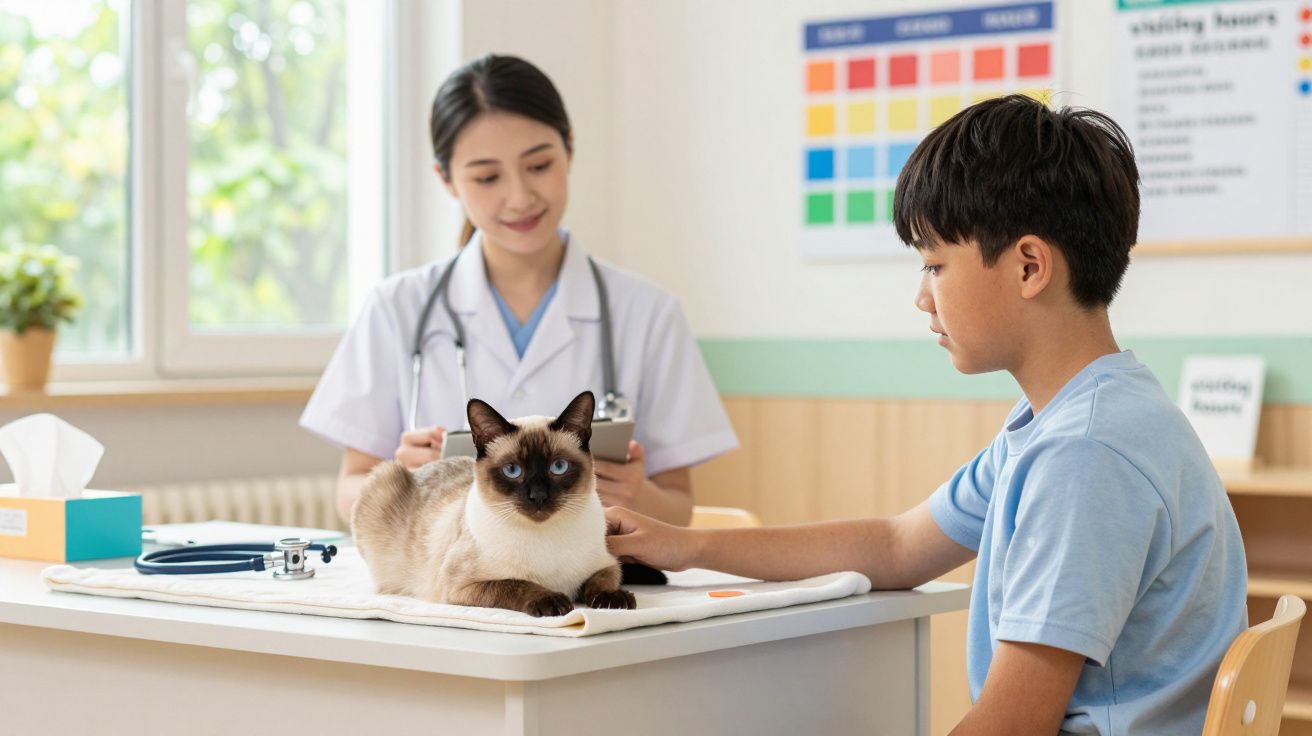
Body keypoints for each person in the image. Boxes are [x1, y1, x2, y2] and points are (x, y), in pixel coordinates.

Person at [604, 95, 1248, 735]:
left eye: (935, 264)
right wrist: (686, 546)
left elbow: (1009, 726)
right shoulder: (1084, 416)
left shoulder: (1083, 455)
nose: (921, 295)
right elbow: (897, 544)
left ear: (1029, 266)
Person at [301, 54, 737, 526]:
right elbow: (350, 489)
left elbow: (678, 506)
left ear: (569, 149)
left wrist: (637, 493)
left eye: (539, 164)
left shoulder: (647, 313)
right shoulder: (397, 308)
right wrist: (400, 480)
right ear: (446, 180)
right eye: (487, 177)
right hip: (450, 589)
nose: (520, 197)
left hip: (587, 587)